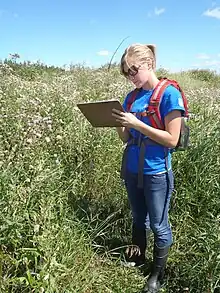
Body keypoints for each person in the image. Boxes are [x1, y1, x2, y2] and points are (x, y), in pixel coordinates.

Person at [112, 43, 185, 293]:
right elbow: (125, 137)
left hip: (156, 172)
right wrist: (118, 122)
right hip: (132, 168)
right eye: (126, 73)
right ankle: (137, 257)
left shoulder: (169, 94)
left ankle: (157, 274)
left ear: (149, 64)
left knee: (158, 224)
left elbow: (172, 140)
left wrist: (137, 124)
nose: (131, 77)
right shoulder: (131, 97)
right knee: (137, 219)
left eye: (133, 70)